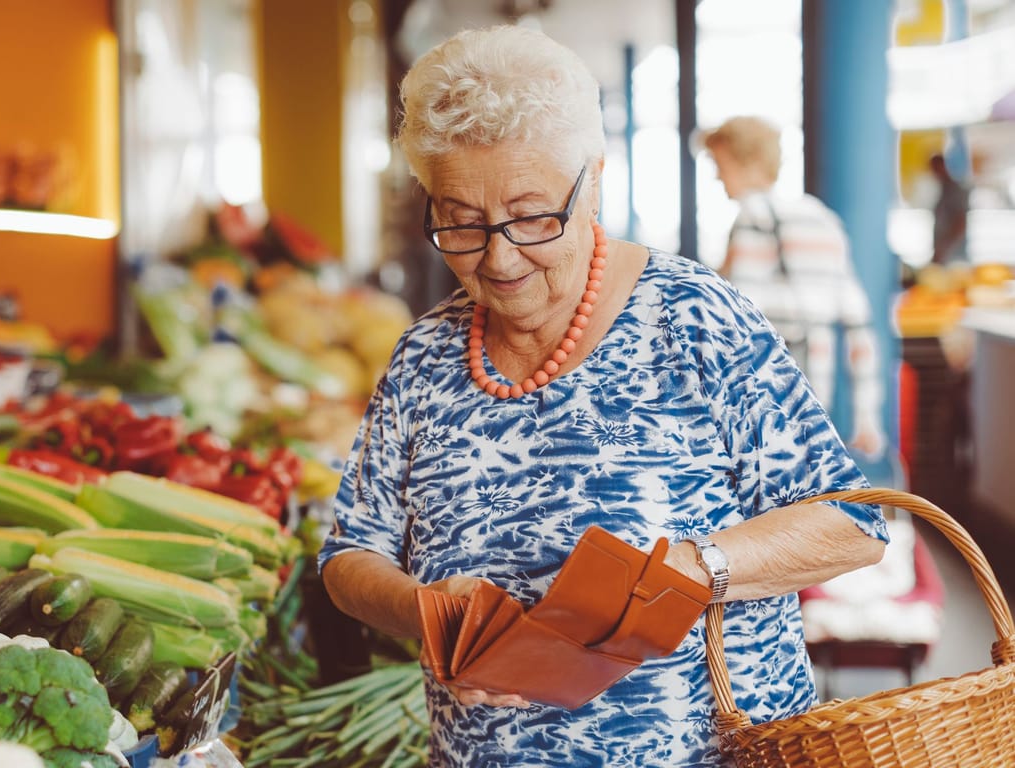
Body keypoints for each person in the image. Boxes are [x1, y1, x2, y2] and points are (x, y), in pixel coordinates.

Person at [317, 25, 888, 767]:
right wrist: (428, 612)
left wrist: (689, 569)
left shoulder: (694, 319)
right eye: (460, 222)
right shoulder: (424, 356)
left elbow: (851, 520)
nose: (498, 256)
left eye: (530, 216)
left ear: (594, 181)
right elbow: (349, 552)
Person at [703, 116, 886, 462]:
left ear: (747, 161)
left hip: (758, 402)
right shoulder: (823, 219)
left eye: (719, 163)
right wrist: (867, 416)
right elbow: (858, 323)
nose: (716, 176)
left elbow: (731, 319)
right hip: (813, 399)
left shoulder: (751, 219)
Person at [929, 152, 970, 266]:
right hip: (943, 254)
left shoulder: (955, 190)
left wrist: (944, 248)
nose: (933, 172)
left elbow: (961, 222)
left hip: (954, 257)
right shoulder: (943, 190)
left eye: (935, 167)